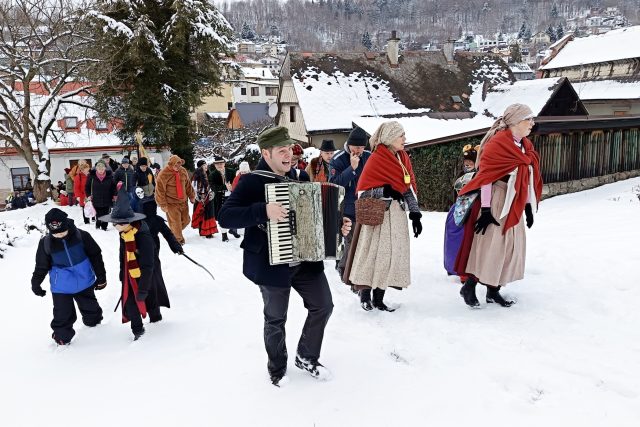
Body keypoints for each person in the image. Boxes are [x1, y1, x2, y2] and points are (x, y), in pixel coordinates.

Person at [217, 126, 336, 387]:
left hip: (305, 261)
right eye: (281, 151)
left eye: (290, 151)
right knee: (275, 319)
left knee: (323, 305)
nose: (288, 156)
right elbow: (225, 217)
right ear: (266, 153)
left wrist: (337, 227)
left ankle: (306, 356)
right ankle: (277, 368)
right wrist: (263, 210)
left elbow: (315, 218)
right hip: (271, 264)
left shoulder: (301, 178)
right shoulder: (251, 181)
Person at [455, 104, 543, 308]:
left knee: (509, 247)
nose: (532, 123)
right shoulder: (496, 145)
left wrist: (528, 206)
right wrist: (486, 209)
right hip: (496, 198)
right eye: (528, 119)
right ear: (515, 122)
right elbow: (486, 177)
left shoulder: (525, 146)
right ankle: (469, 285)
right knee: (490, 245)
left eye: (532, 119)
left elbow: (526, 177)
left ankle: (494, 290)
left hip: (515, 200)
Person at [345, 121, 422, 311]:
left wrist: (415, 213)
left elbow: (407, 187)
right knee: (372, 256)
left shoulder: (403, 157)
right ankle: (365, 294)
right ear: (389, 138)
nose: (405, 139)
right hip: (377, 217)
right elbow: (363, 192)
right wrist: (385, 190)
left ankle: (379, 298)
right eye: (401, 135)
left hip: (396, 217)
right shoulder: (376, 159)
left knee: (390, 257)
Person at [31, 208, 107, 345]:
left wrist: (101, 277)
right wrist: (36, 283)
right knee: (62, 314)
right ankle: (62, 337)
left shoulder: (82, 236)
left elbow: (96, 256)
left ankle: (94, 323)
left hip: (84, 280)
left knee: (90, 306)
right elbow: (41, 266)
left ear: (67, 225)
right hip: (61, 286)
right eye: (55, 233)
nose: (59, 235)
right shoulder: (46, 243)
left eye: (62, 231)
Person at [98, 185, 154, 340]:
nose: (115, 227)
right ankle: (138, 331)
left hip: (144, 276)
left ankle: (156, 320)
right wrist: (122, 273)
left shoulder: (143, 237)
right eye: (114, 223)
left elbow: (149, 264)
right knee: (130, 303)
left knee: (148, 301)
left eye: (118, 224)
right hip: (128, 276)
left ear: (129, 221)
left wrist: (143, 288)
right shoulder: (124, 233)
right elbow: (122, 255)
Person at [134, 188, 182, 323]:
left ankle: (153, 306)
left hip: (153, 250)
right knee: (147, 275)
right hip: (140, 252)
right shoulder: (138, 222)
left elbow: (168, 234)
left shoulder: (154, 220)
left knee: (153, 274)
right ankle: (146, 303)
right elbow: (168, 234)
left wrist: (176, 246)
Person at [329, 127, 371, 277]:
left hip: (365, 206)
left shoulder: (368, 156)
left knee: (362, 242)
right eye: (356, 147)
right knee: (350, 241)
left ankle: (356, 272)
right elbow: (334, 185)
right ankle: (344, 271)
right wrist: (352, 169)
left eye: (362, 147)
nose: (359, 150)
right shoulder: (338, 159)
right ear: (349, 144)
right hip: (345, 208)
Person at [443, 145, 478, 281]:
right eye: (465, 162)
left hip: (472, 209)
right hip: (459, 209)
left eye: (470, 161)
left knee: (466, 239)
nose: (467, 164)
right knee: (453, 238)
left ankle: (464, 270)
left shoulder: (479, 174)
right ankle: (453, 266)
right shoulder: (462, 175)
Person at [155, 154, 196, 245]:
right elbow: (160, 190)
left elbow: (188, 185)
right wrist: (163, 204)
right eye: (175, 165)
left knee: (186, 220)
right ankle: (178, 240)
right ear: (170, 164)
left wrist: (192, 196)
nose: (178, 167)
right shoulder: (163, 173)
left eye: (179, 165)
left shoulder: (183, 171)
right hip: (171, 203)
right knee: (176, 223)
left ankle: (173, 231)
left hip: (183, 202)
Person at [208, 156, 239, 242]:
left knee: (235, 214)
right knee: (221, 217)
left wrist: (232, 187)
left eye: (221, 163)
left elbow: (238, 182)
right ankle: (224, 234)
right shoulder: (212, 175)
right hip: (219, 199)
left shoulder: (232, 172)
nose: (219, 165)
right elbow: (213, 187)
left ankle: (233, 229)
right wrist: (225, 187)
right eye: (217, 164)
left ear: (224, 164)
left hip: (232, 197)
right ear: (215, 165)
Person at [85, 160, 116, 230]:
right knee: (98, 214)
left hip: (107, 198)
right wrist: (88, 195)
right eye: (99, 169)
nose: (101, 170)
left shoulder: (110, 176)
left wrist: (114, 195)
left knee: (106, 213)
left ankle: (104, 226)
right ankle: (98, 225)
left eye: (102, 169)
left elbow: (113, 187)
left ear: (105, 168)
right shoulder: (91, 176)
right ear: (96, 168)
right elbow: (87, 187)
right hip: (96, 198)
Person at [191, 160, 218, 238]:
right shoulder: (196, 176)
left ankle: (208, 232)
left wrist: (213, 192)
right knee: (201, 214)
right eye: (203, 165)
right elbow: (193, 187)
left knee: (209, 214)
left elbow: (213, 185)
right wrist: (197, 196)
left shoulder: (209, 174)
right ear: (199, 167)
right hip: (200, 198)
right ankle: (202, 231)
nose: (206, 167)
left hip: (209, 197)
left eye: (206, 165)